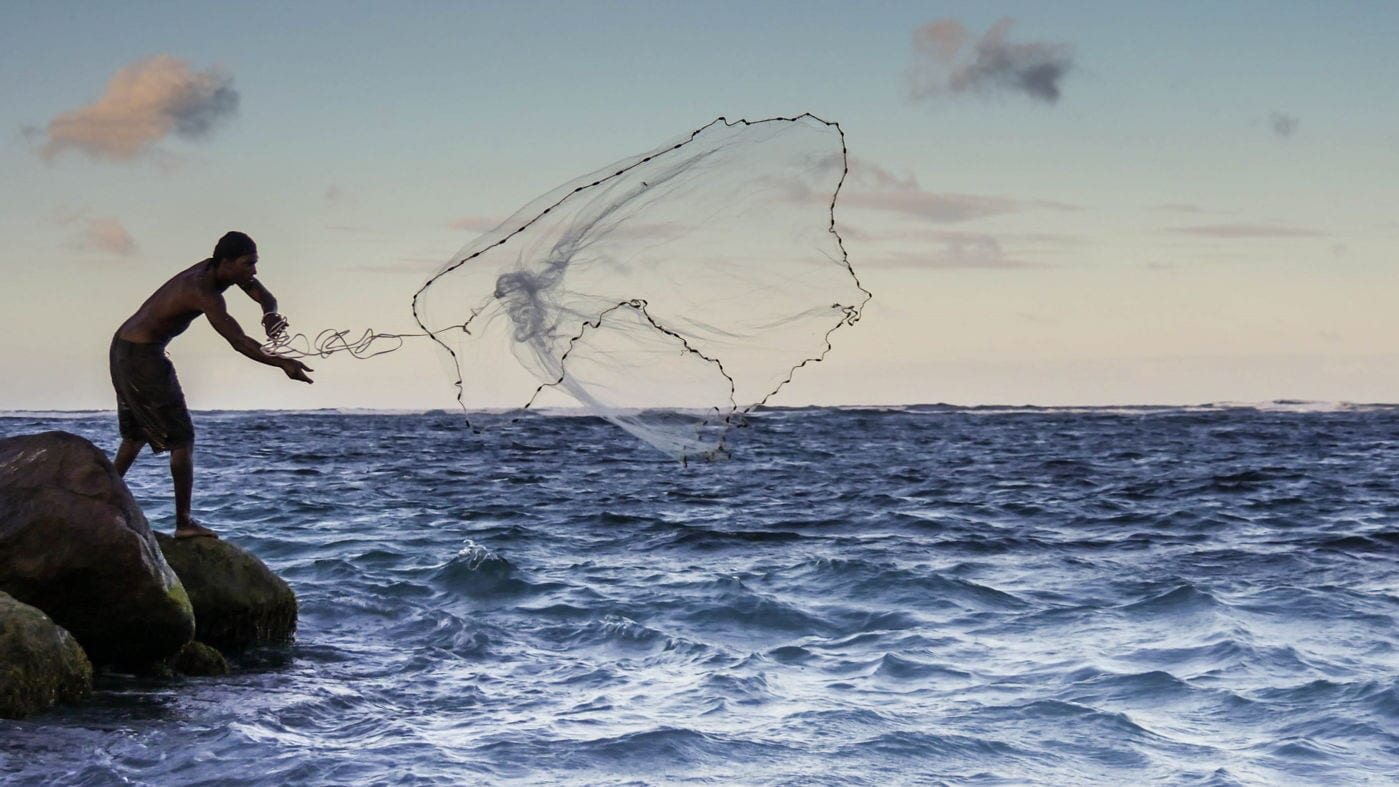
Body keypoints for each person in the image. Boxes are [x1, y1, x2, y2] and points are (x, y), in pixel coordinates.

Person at [110, 231, 313, 539]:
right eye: (248, 264)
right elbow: (238, 341)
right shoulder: (203, 290)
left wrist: (270, 314)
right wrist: (282, 362)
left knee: (135, 436)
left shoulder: (222, 272)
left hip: (124, 347)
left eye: (254, 264)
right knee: (182, 439)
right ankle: (184, 523)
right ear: (227, 263)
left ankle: (101, 495)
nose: (253, 271)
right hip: (142, 356)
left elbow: (264, 295)